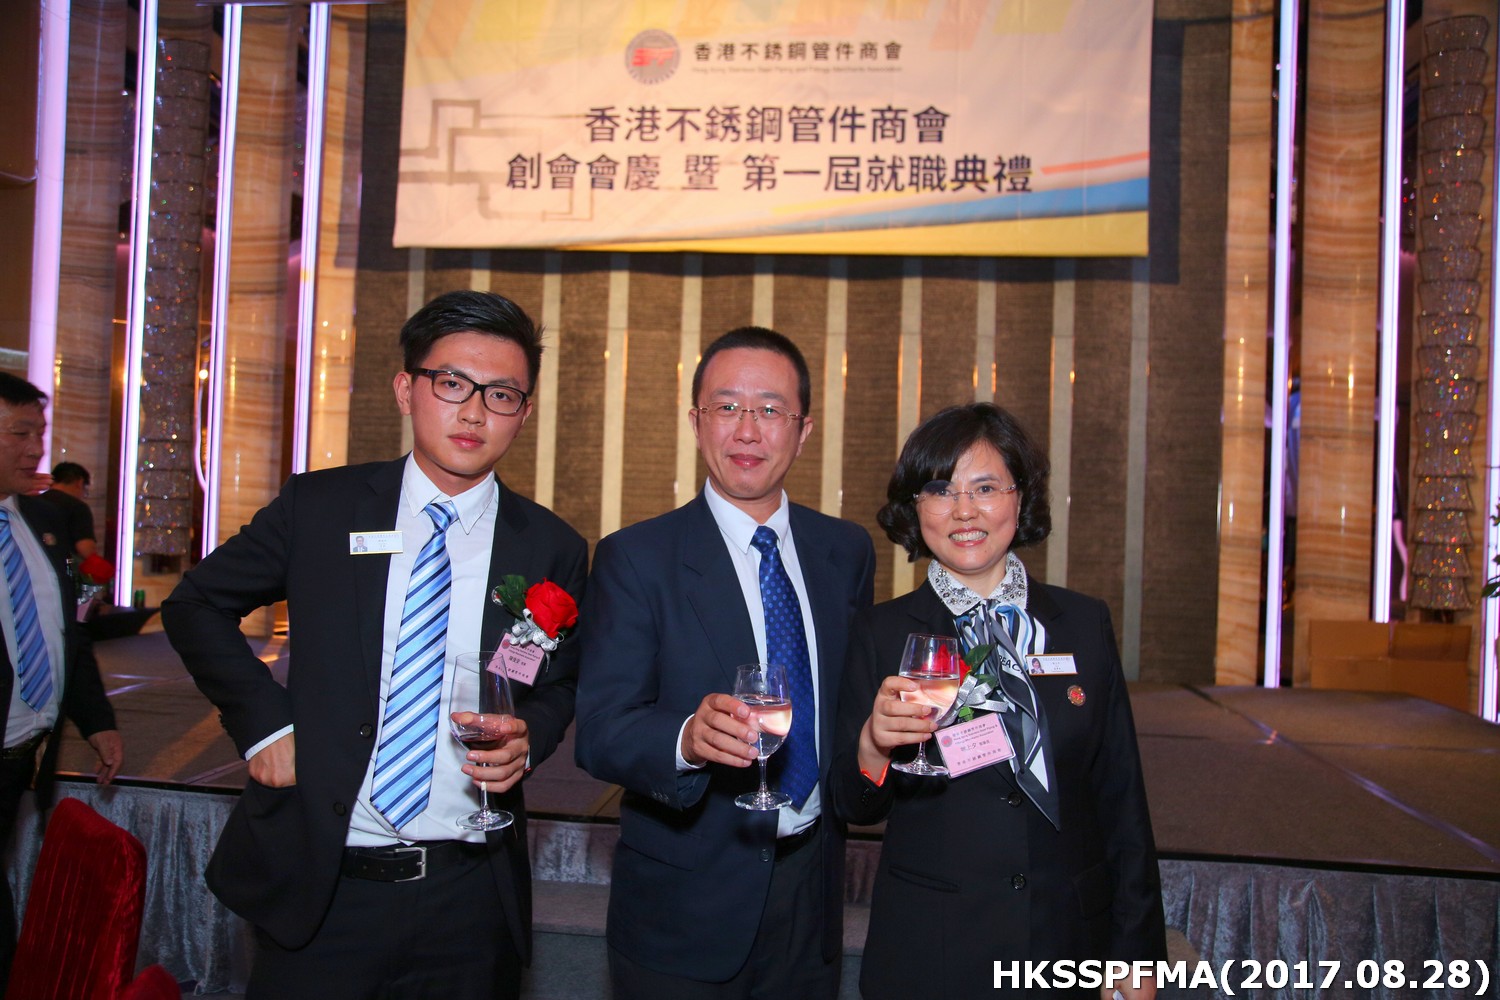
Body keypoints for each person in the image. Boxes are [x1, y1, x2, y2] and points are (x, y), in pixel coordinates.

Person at [161, 291, 587, 1000]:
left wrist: (530, 735)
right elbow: (195, 604)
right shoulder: (321, 509)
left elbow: (559, 679)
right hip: (324, 891)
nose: (474, 412)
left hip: (468, 898)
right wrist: (264, 724)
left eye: (501, 394)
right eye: (452, 383)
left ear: (525, 412)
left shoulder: (550, 545)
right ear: (405, 389)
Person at [574, 326, 875, 998]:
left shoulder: (845, 552)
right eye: (727, 406)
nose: (747, 430)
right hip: (684, 911)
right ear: (695, 422)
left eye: (770, 410)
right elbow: (598, 731)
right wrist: (686, 738)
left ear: (803, 431)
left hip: (812, 901)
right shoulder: (636, 558)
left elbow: (847, 709)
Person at [832, 403, 1165, 1000]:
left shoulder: (1082, 624)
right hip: (934, 949)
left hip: (1066, 940)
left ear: (1020, 498)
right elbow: (853, 805)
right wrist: (873, 747)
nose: (964, 510)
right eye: (941, 490)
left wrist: (1136, 955)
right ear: (915, 507)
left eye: (985, 488)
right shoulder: (880, 633)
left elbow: (1121, 800)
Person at [0, 375, 122, 990]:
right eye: (19, 433)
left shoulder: (47, 519)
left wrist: (97, 722)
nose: (35, 449)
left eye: (39, 433)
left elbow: (67, 633)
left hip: (23, 755)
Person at [38, 461, 97, 558]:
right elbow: (86, 550)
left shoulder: (33, 503)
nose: (83, 495)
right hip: (63, 564)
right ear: (80, 482)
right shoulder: (78, 507)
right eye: (85, 490)